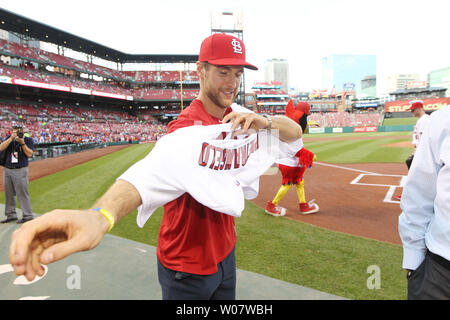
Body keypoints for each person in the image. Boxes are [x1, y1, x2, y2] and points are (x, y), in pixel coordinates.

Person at [8, 33, 302, 300]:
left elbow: (295, 133)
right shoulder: (184, 129)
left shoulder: (238, 115)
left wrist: (264, 121)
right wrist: (101, 216)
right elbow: (152, 171)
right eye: (223, 72)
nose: (232, 82)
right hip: (187, 266)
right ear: (201, 71)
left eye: (237, 73)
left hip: (225, 252)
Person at [398, 105, 450, 299]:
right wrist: (413, 264)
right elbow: (418, 194)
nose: (411, 112)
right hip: (441, 269)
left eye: (413, 109)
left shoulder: (429, 120)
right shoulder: (441, 120)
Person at [265, 100, 319, 216]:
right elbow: (299, 151)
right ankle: (272, 206)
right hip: (288, 164)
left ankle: (303, 205)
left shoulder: (288, 128)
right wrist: (312, 156)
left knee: (300, 182)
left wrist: (310, 123)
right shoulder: (294, 134)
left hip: (289, 162)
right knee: (288, 184)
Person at [395, 100, 431, 201]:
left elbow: (424, 138)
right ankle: (417, 195)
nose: (411, 112)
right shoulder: (422, 119)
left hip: (423, 152)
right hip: (421, 152)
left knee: (414, 171)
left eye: (413, 110)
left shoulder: (425, 120)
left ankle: (411, 196)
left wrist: (416, 152)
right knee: (416, 172)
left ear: (419, 109)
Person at [0, 125, 34, 224]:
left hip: (20, 169)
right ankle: (11, 214)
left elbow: (29, 154)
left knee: (22, 193)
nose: (16, 134)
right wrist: (11, 138)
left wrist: (22, 143)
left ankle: (27, 215)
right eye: (14, 132)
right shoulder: (9, 139)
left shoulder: (28, 140)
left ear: (22, 132)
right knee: (8, 193)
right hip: (8, 169)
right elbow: (1, 148)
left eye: (18, 132)